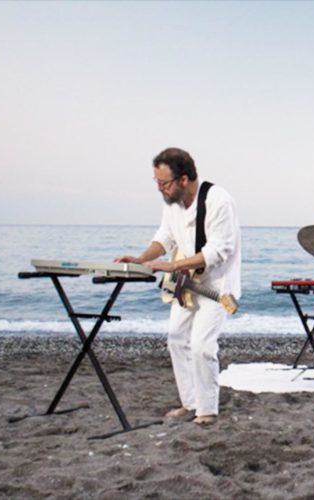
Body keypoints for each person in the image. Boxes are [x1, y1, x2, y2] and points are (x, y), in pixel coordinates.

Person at [115, 147, 241, 426]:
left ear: (184, 179)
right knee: (176, 338)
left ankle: (207, 409)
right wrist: (141, 259)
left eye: (164, 183)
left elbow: (218, 251)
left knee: (201, 346)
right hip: (186, 283)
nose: (160, 189)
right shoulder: (172, 202)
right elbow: (165, 238)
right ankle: (190, 402)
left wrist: (171, 266)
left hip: (217, 286)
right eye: (157, 182)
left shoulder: (219, 200)